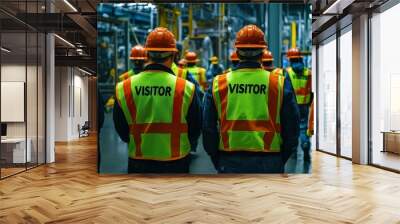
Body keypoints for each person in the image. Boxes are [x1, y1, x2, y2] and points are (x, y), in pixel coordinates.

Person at [202, 25, 300, 173]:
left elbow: (208, 128)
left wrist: (216, 157)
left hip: (229, 158)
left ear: (237, 52)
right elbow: (292, 127)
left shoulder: (218, 83)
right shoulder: (279, 82)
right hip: (270, 159)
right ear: (262, 53)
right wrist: (280, 158)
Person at [113, 27, 202, 173]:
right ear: (174, 54)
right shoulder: (186, 87)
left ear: (147, 54)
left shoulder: (124, 87)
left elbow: (121, 128)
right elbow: (196, 127)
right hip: (176, 160)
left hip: (139, 159)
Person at [285, 47, 313, 172]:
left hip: (293, 104)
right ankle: (305, 144)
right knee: (303, 128)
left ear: (290, 59)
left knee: (291, 127)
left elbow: (287, 90)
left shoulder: (288, 72)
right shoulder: (308, 72)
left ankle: (293, 152)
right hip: (305, 105)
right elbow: (311, 90)